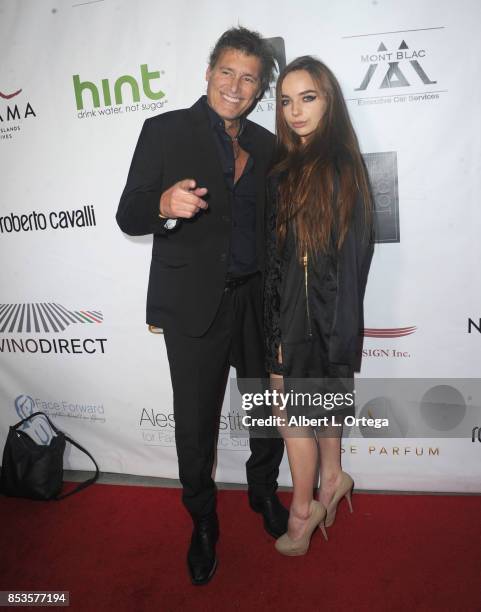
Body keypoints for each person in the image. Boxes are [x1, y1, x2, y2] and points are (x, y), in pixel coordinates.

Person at [116, 27, 287, 584]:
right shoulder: (164, 131)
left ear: (261, 87)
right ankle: (203, 521)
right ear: (209, 72)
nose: (236, 86)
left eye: (249, 78)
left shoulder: (266, 145)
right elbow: (129, 213)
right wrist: (164, 204)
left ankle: (263, 492)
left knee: (264, 410)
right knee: (195, 425)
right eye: (227, 73)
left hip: (257, 302)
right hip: (192, 305)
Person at [263, 56, 374, 555]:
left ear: (329, 100)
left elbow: (311, 267)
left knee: (293, 420)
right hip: (325, 323)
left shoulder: (323, 170)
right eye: (286, 101)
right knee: (323, 409)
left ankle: (303, 512)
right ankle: (334, 479)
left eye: (308, 98)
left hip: (303, 322)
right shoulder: (324, 165)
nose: (294, 111)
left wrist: (285, 338)